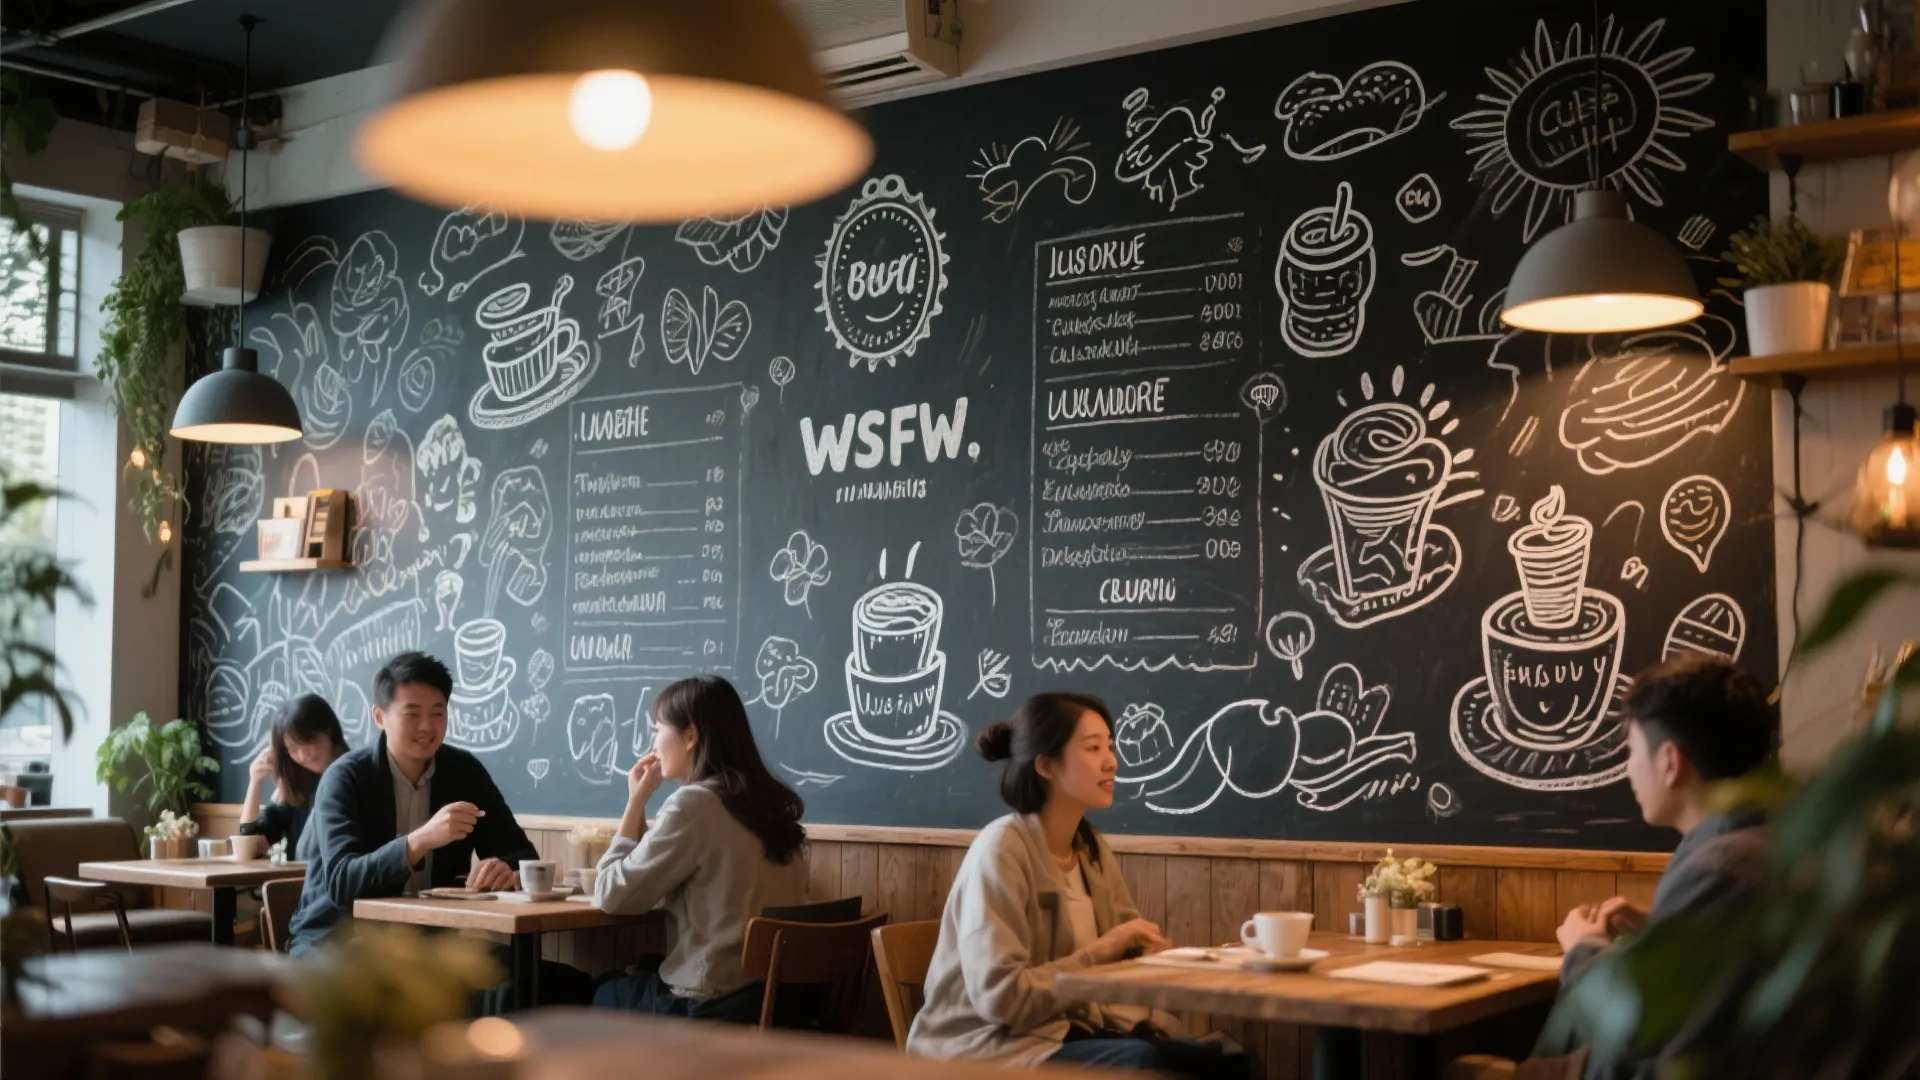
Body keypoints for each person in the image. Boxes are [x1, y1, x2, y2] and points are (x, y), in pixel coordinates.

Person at [1454, 654, 1777, 1080]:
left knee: (1468, 1071)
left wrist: (1584, 947)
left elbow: (1636, 1028)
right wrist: (1661, 931)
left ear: (1669, 762)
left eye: (1630, 751)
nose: (1627, 769)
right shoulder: (1764, 844)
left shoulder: (1718, 867)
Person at [908, 692, 1245, 1078]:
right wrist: (1106, 950)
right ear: (1047, 765)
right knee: (1141, 1063)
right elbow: (1000, 1000)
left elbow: (1125, 949)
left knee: (1225, 1061)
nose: (1112, 761)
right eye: (1094, 748)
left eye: (1111, 746)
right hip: (989, 1048)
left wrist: (1150, 956)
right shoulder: (1002, 850)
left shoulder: (1090, 849)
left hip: (1066, 1034)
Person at [286, 651, 592, 1006]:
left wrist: (505, 867)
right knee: (397, 993)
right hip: (338, 937)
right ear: (380, 717)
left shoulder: (463, 772)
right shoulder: (346, 776)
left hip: (428, 941)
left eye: (438, 713)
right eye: (412, 714)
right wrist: (420, 840)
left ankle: (500, 1060)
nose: (428, 726)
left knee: (550, 984)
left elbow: (522, 853)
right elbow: (342, 883)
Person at [592, 674, 811, 1023]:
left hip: (709, 1006)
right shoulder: (768, 806)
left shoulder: (693, 805)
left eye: (656, 729)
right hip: (774, 1005)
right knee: (637, 974)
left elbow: (611, 894)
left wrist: (635, 802)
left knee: (604, 992)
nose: (652, 744)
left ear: (691, 736)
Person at [238, 694, 349, 860]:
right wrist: (255, 781)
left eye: (309, 741)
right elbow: (249, 841)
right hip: (299, 883)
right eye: (293, 749)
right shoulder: (299, 787)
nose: (304, 755)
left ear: (329, 731)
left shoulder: (352, 774)